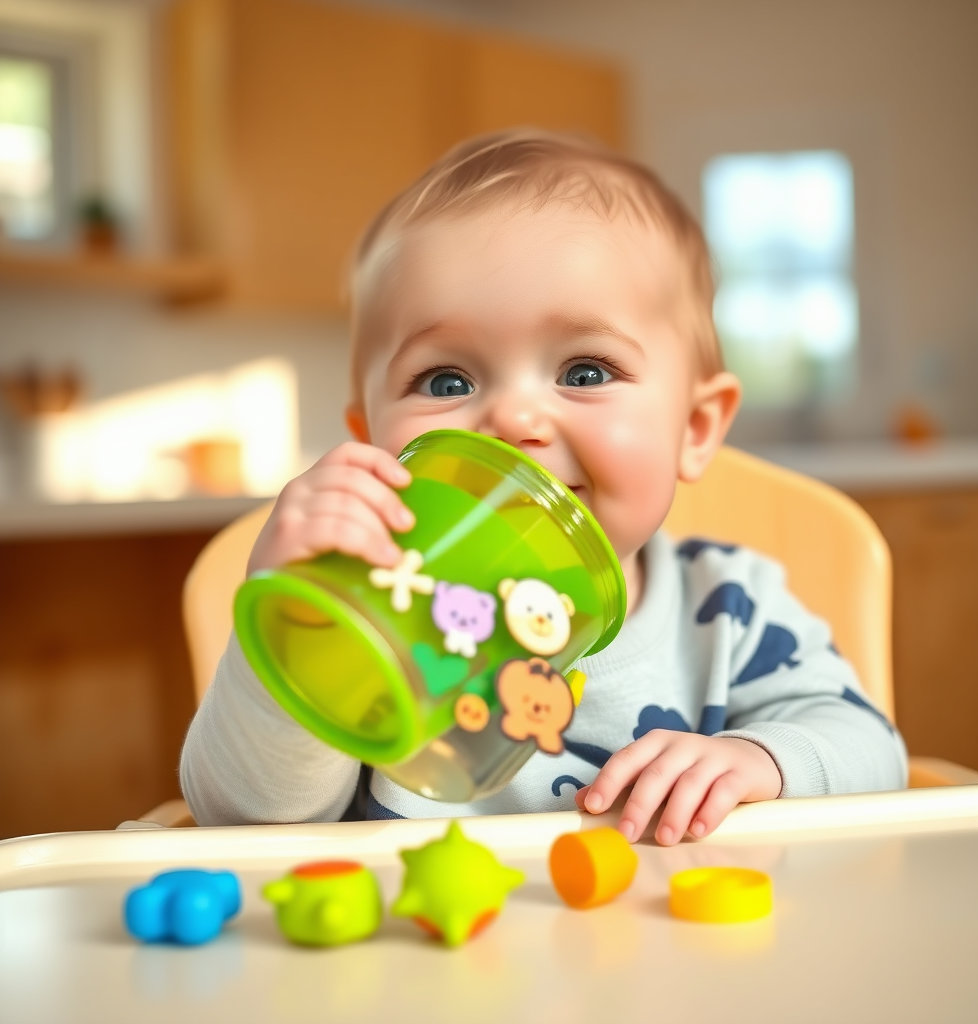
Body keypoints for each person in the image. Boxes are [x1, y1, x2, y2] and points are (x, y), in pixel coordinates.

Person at [180, 128, 907, 843]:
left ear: (694, 428)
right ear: (370, 440)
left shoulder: (729, 610)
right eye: (446, 380)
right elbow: (243, 824)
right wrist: (305, 632)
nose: (515, 417)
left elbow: (874, 754)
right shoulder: (375, 609)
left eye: (584, 372)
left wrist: (760, 760)